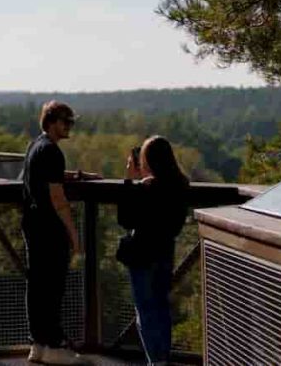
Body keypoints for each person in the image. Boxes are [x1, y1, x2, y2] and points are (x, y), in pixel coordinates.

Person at [21, 101, 100, 365]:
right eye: (66, 121)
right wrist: (74, 236)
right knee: (53, 288)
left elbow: (46, 178)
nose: (69, 127)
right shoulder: (52, 151)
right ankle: (54, 346)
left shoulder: (35, 146)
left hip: (32, 225)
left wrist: (78, 176)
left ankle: (38, 345)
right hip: (49, 228)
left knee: (37, 287)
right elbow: (57, 198)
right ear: (52, 121)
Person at [117, 136, 190, 366]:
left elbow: (126, 219)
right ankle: (162, 359)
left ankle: (156, 361)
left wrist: (129, 182)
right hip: (165, 252)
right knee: (160, 308)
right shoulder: (181, 185)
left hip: (142, 255)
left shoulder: (149, 188)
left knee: (145, 312)